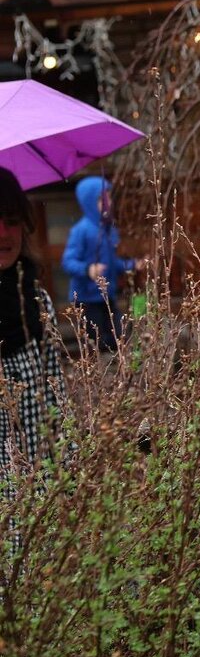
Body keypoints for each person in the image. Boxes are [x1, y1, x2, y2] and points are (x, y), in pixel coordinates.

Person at [1, 167, 66, 473]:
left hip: (40, 484)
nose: (3, 233)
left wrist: (67, 472)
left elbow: (56, 395)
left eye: (12, 221)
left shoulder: (36, 298)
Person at [61, 176, 144, 352]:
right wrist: (87, 269)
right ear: (89, 202)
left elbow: (112, 263)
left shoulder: (107, 229)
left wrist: (131, 265)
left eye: (108, 198)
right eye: (101, 199)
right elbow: (67, 261)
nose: (107, 203)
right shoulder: (81, 230)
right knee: (95, 341)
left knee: (118, 335)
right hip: (86, 298)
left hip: (106, 295)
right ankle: (100, 374)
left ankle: (117, 373)